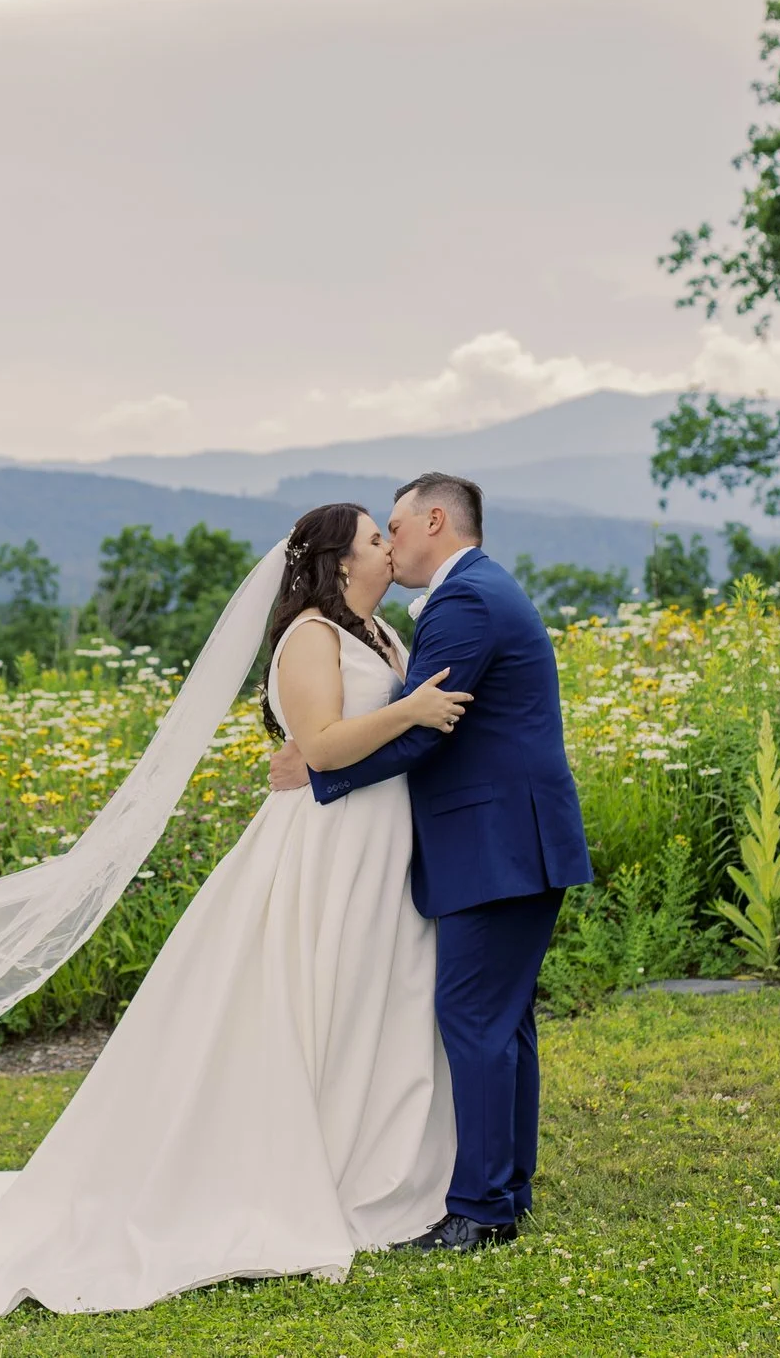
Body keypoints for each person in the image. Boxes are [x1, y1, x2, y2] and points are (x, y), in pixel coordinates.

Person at [0, 502, 474, 1321]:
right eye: (375, 538)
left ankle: (374, 1157)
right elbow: (318, 745)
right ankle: (298, 1170)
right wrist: (408, 711)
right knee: (314, 998)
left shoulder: (380, 634)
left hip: (379, 841)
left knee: (370, 999)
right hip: (326, 847)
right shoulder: (312, 635)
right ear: (340, 560)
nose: (390, 546)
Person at [271, 472, 591, 1251]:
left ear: (435, 520)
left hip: (496, 843)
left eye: (395, 526)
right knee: (502, 1020)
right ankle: (505, 1188)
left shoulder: (464, 600)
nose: (391, 542)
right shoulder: (476, 590)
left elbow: (422, 731)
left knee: (475, 1017)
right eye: (376, 534)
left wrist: (319, 770)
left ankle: (481, 1207)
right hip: (507, 839)